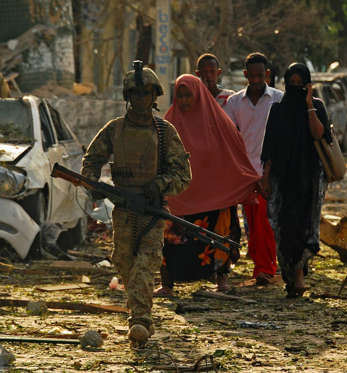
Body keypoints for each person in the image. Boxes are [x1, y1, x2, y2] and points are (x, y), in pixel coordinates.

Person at [81, 62, 192, 347]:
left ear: (154, 96)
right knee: (124, 261)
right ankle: (139, 308)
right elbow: (91, 160)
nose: (141, 99)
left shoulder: (165, 132)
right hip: (124, 210)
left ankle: (140, 320)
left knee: (147, 263)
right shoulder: (114, 129)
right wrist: (93, 183)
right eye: (136, 93)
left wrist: (158, 185)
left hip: (152, 210)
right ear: (128, 96)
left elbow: (182, 174)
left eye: (146, 93)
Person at [153, 74, 260, 295]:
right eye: (179, 96)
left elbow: (235, 155)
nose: (183, 101)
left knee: (220, 237)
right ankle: (167, 284)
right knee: (170, 240)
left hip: (215, 196)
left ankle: (221, 280)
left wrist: (246, 181)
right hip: (180, 197)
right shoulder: (168, 124)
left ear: (199, 95)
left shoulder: (219, 122)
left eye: (188, 96)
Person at [261, 63, 330, 298]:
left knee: (305, 227)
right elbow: (269, 148)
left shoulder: (317, 107)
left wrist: (309, 105)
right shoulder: (278, 110)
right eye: (293, 85)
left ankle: (298, 276)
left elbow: (319, 134)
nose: (297, 88)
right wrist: (266, 178)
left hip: (309, 179)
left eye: (302, 85)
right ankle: (291, 276)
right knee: (283, 228)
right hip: (283, 180)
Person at [224, 52, 283, 285]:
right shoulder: (235, 102)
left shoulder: (278, 99)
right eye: (252, 76)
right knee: (251, 222)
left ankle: (265, 268)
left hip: (270, 171)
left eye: (261, 75)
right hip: (244, 172)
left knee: (266, 222)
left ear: (267, 74)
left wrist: (270, 171)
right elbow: (229, 135)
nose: (257, 80)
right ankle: (260, 265)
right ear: (245, 75)